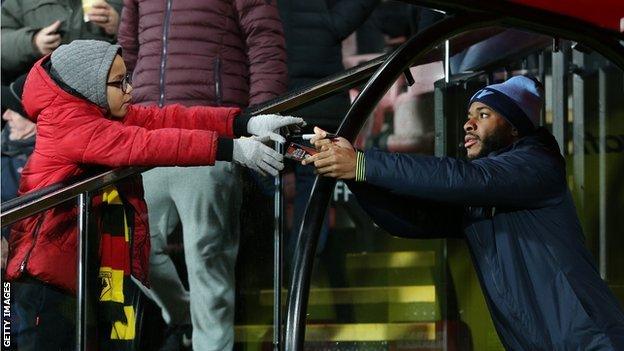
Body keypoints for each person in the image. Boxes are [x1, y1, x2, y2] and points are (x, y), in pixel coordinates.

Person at [3, 39, 302, 350]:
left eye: (128, 77)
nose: (130, 89)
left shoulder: (96, 112)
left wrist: (243, 122)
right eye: (119, 83)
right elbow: (144, 144)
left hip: (77, 271)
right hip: (42, 281)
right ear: (89, 87)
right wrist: (232, 149)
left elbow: (168, 118)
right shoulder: (69, 125)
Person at [304, 76, 624, 350]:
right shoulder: (483, 194)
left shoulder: (537, 166)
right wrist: (354, 175)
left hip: (592, 342)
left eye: (483, 115)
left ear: (514, 128)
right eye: (469, 115)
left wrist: (363, 164)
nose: (468, 124)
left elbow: (462, 178)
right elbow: (411, 221)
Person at [118, 0, 288, 349]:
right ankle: (184, 315)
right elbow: (127, 52)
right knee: (129, 249)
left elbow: (265, 40)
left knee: (209, 259)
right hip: (150, 135)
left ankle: (209, 341)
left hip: (211, 133)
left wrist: (260, 118)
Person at [1, 0, 122, 83]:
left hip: (104, 90)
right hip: (43, 93)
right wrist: (32, 42)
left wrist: (119, 24)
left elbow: (138, 35)